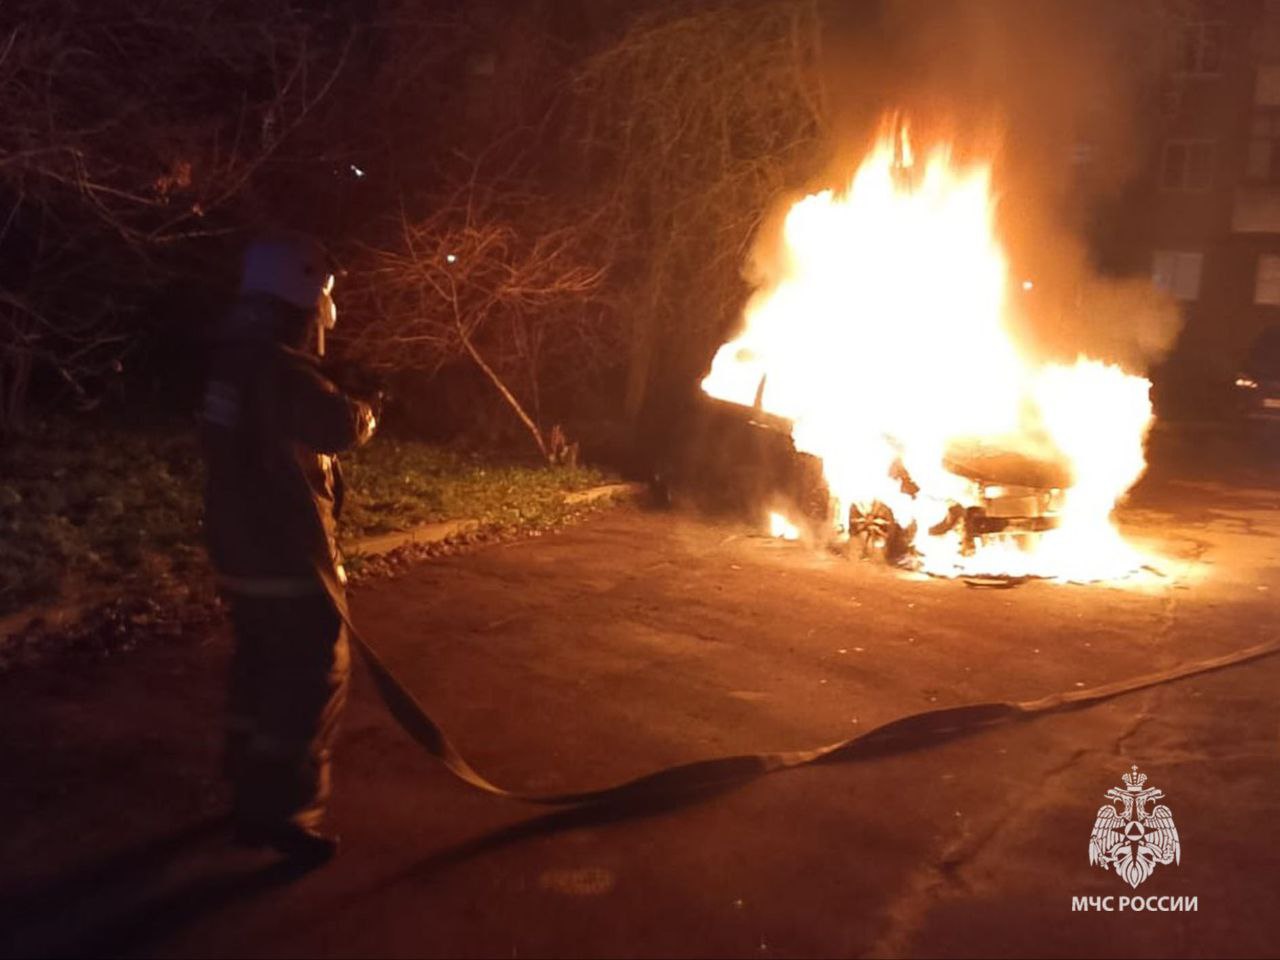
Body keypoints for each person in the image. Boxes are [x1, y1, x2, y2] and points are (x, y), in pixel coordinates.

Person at [201, 233, 377, 866]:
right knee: (310, 680)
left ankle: (249, 796)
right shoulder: (283, 369)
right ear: (303, 303)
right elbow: (336, 427)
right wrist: (363, 407)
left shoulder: (234, 360)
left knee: (258, 670)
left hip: (239, 552)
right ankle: (286, 814)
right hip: (289, 557)